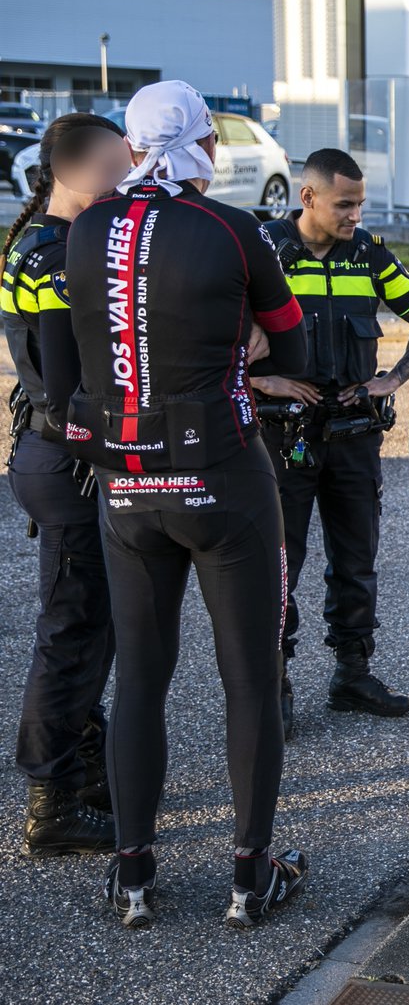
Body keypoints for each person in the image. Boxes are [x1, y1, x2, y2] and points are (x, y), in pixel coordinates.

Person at [54, 80, 311, 929]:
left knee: (141, 678)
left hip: (126, 482)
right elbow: (293, 339)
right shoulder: (235, 229)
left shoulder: (88, 226)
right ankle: (249, 874)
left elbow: (85, 343)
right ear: (204, 144)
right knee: (248, 682)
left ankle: (132, 877)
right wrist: (238, 339)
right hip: (222, 479)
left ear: (131, 147)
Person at [251, 148, 409, 737]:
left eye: (361, 203)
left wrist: (393, 378)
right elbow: (201, 331)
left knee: (356, 563)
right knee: (279, 565)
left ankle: (351, 675)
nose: (356, 214)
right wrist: (259, 378)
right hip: (283, 439)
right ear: (307, 198)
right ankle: (274, 682)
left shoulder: (369, 257)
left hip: (355, 438)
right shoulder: (264, 253)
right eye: (345, 204)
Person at [1, 113, 129, 858]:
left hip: (61, 461)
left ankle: (87, 768)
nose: (128, 180)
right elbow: (70, 385)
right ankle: (51, 802)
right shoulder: (52, 254)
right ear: (76, 170)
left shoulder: (60, 243)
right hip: (68, 463)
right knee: (73, 634)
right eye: (118, 167)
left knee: (89, 628)